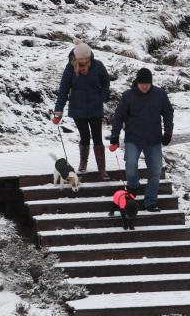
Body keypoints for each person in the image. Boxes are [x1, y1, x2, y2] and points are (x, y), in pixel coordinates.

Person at [109, 67, 173, 212]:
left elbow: (168, 113)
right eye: (142, 83)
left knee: (156, 170)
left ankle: (150, 201)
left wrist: (168, 132)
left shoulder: (160, 95)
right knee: (131, 165)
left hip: (154, 139)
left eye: (147, 83)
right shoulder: (128, 96)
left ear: (151, 83)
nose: (144, 86)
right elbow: (118, 117)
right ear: (137, 82)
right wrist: (114, 136)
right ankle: (133, 186)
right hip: (133, 138)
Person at [53, 39, 110, 179]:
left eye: (86, 57)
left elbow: (106, 82)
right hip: (78, 109)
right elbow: (63, 90)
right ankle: (83, 162)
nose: (84, 60)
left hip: (95, 108)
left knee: (97, 137)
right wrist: (58, 110)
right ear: (76, 57)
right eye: (81, 58)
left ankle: (102, 169)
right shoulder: (70, 68)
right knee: (85, 136)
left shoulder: (98, 66)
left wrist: (101, 98)